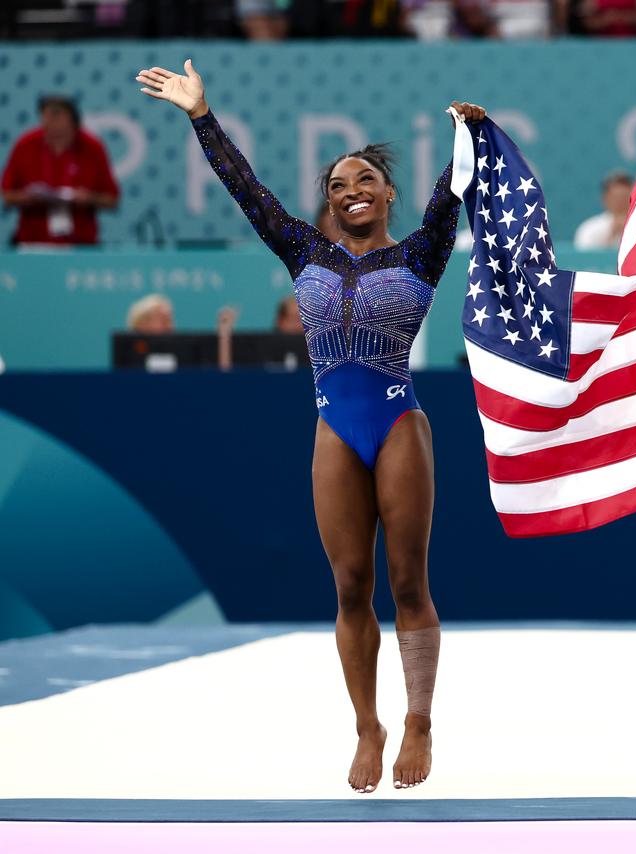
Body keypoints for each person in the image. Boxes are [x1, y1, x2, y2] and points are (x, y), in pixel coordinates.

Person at [135, 59, 485, 793]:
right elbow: (244, 189)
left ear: (389, 193)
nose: (352, 192)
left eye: (365, 181)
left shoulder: (420, 252)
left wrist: (467, 136)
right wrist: (201, 114)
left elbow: (452, 196)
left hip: (397, 421)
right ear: (326, 204)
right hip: (334, 426)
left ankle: (419, 717)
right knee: (351, 584)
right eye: (338, 186)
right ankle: (368, 725)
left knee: (405, 580)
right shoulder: (302, 249)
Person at [1, 95, 119, 246]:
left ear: (73, 120)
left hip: (81, 243)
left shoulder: (92, 147)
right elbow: (7, 195)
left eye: (57, 116)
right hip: (33, 241)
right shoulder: (26, 144)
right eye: (46, 117)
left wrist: (88, 198)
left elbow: (112, 199)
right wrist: (30, 197)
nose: (51, 123)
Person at [573, 170, 633, 250]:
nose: (621, 202)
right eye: (616, 197)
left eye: (625, 197)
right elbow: (583, 258)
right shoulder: (590, 229)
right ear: (605, 198)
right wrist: (612, 235)